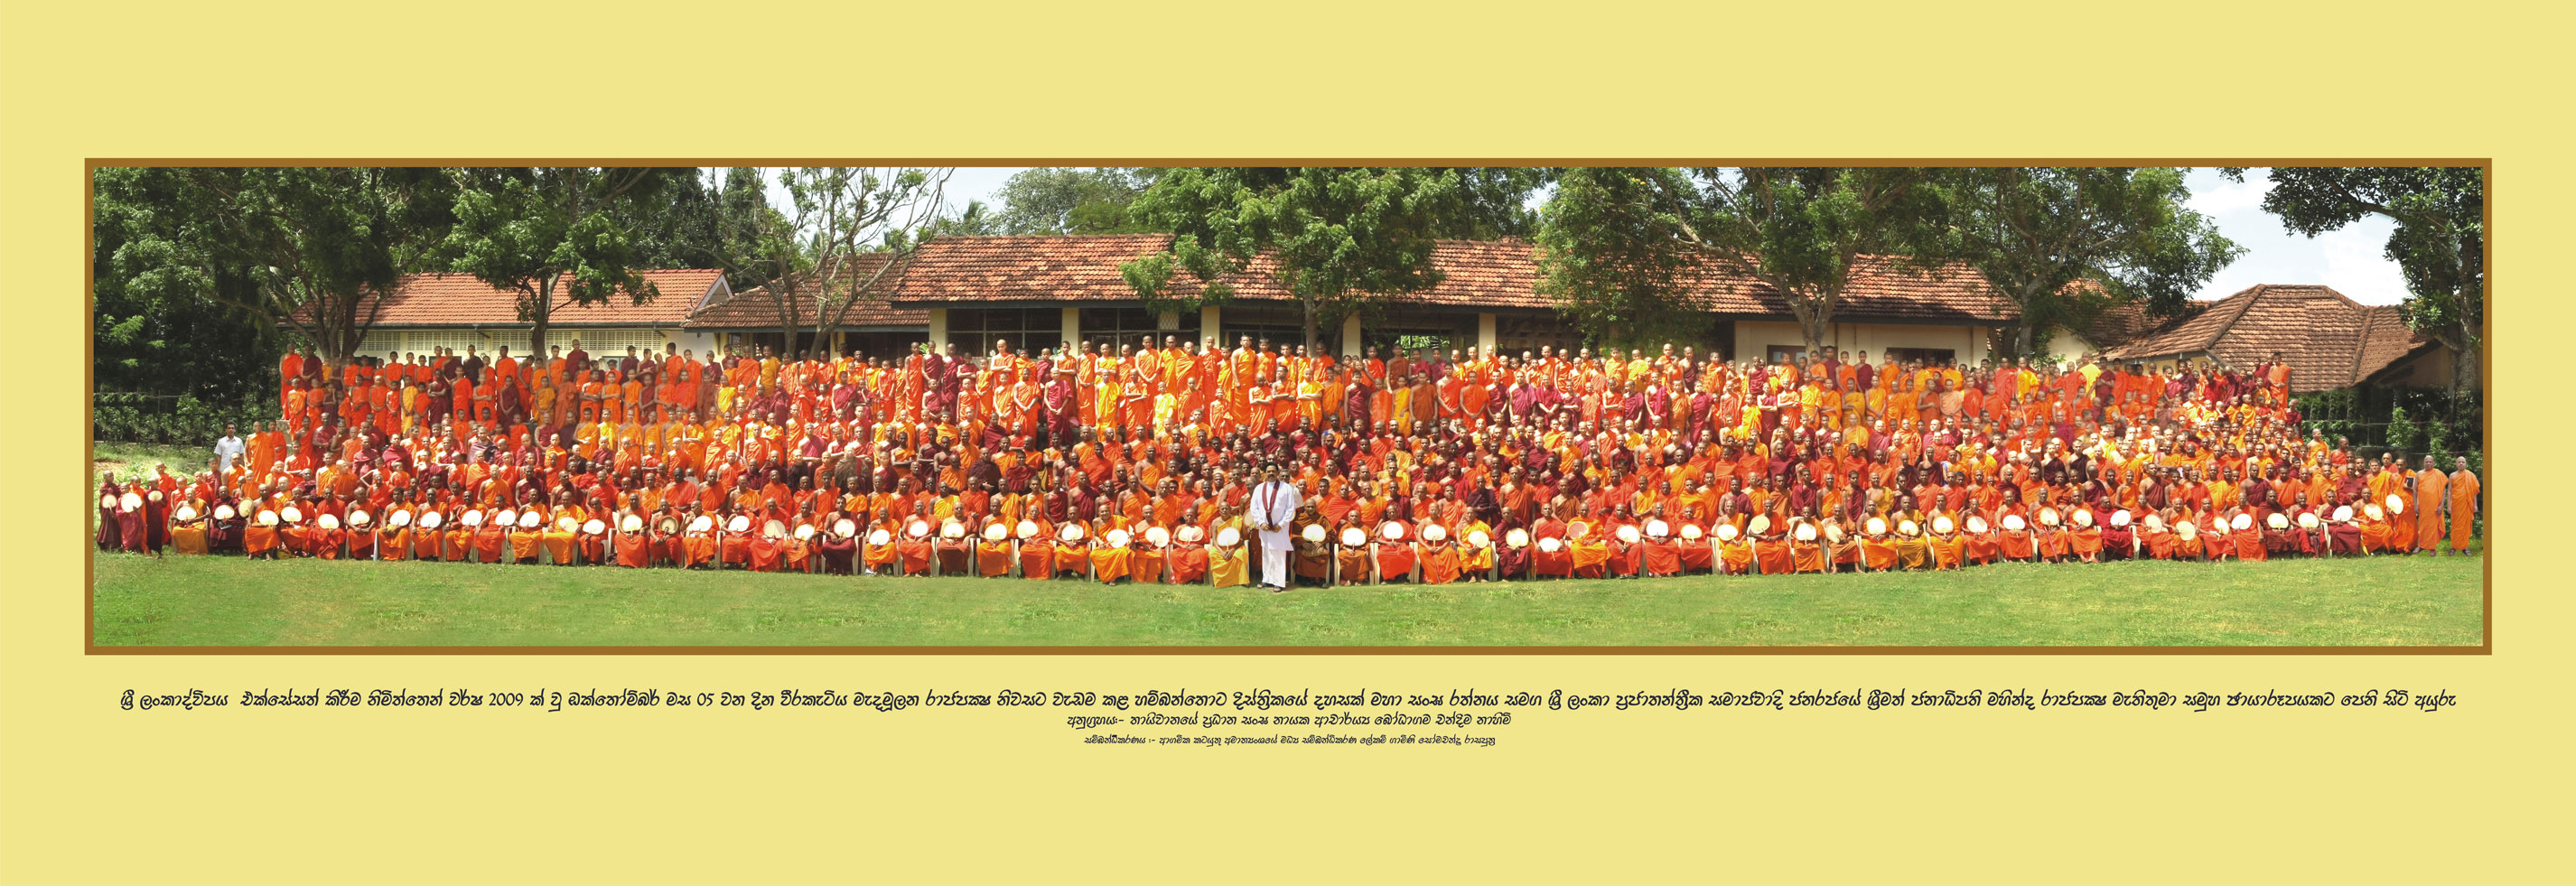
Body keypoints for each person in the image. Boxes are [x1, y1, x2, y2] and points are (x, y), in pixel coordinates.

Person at [1247, 465, 1299, 592]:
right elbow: (1254, 507)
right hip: (1264, 528)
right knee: (1266, 554)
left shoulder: (1286, 488)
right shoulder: (1259, 488)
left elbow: (1290, 509)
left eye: (1273, 471)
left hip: (1279, 528)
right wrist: (1260, 523)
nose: (1271, 473)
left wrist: (1281, 524)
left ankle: (1279, 582)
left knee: (1278, 554)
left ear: (1277, 473)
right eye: (1268, 471)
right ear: (1265, 473)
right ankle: (1267, 579)